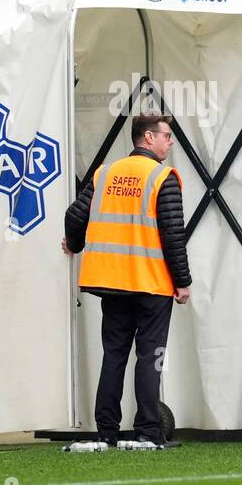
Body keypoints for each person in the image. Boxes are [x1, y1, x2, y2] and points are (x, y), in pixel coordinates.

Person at [63, 114, 192, 448]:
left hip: (111, 281)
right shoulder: (163, 177)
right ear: (148, 137)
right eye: (166, 135)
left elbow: (74, 215)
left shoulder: (106, 172)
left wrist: (74, 244)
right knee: (151, 357)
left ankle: (106, 432)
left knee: (114, 355)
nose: (170, 142)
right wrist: (183, 281)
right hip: (151, 283)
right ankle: (148, 431)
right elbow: (173, 235)